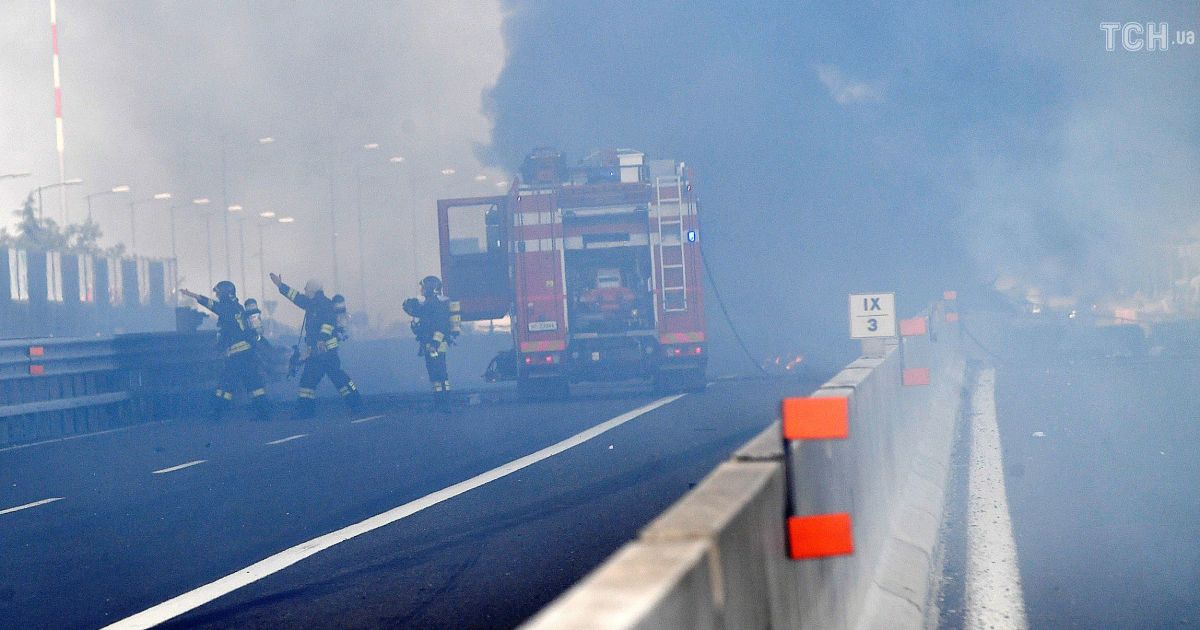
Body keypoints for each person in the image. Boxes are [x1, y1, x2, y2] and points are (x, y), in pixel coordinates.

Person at [269, 273, 362, 418]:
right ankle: (306, 411)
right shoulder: (312, 303)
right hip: (317, 353)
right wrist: (281, 286)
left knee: (338, 380)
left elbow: (327, 324)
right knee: (309, 382)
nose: (304, 291)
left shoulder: (324, 305)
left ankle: (355, 404)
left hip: (326, 351)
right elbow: (297, 298)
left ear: (312, 290)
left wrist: (321, 339)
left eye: (306, 289)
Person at [180, 281, 271, 422]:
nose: (216, 295)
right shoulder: (238, 307)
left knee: (225, 384)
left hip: (237, 354)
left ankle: (216, 412)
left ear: (225, 293)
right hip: (247, 353)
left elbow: (210, 304)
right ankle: (264, 412)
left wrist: (192, 295)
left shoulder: (226, 307)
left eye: (218, 292)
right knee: (254, 383)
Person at [402, 275, 461, 410]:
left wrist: (435, 343)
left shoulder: (435, 305)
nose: (421, 289)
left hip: (436, 345)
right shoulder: (430, 304)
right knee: (435, 373)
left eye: (423, 287)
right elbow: (420, 313)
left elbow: (441, 326)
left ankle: (444, 402)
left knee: (439, 372)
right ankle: (440, 401)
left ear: (430, 289)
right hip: (432, 344)